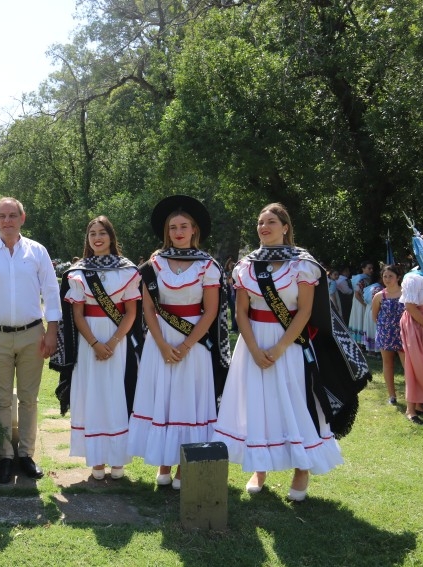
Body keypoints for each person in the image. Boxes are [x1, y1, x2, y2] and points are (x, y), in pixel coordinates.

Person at [212, 203, 344, 502]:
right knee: (258, 402)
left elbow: (306, 310)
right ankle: (260, 466)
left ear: (285, 227)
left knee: (295, 401)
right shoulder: (246, 265)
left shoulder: (303, 264)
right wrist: (255, 349)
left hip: (291, 344)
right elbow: (241, 313)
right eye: (260, 222)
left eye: (271, 221)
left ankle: (301, 467)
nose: (264, 227)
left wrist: (281, 346)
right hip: (252, 343)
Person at [127, 195, 228, 489]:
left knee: (187, 401)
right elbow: (148, 309)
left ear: (194, 230)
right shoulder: (153, 264)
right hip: (160, 343)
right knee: (164, 398)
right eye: (173, 227)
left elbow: (210, 312)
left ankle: (185, 466)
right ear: (167, 232)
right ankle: (163, 462)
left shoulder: (208, 265)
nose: (178, 232)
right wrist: (160, 344)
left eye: (184, 226)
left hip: (193, 346)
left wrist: (184, 346)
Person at [0, 197, 62, 483]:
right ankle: (5, 456)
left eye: (12, 215)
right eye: (1, 216)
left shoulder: (37, 252)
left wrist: (52, 330)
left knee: (30, 399)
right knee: (2, 399)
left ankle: (26, 455)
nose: (7, 221)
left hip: (33, 334)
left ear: (23, 218)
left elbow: (51, 291)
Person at [62, 216, 140, 480]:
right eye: (92, 233)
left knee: (116, 393)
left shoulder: (128, 271)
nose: (97, 238)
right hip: (89, 341)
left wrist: (113, 342)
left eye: (102, 233)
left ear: (111, 237)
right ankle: (96, 458)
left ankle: (117, 458)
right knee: (92, 394)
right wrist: (95, 343)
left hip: (118, 340)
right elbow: (77, 314)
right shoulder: (78, 272)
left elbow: (131, 313)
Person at [398, 266, 423, 423]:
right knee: (417, 364)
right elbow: (410, 307)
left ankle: (420, 404)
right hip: (417, 324)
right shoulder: (413, 277)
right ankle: (410, 409)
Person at [372, 264, 405, 406]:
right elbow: (374, 317)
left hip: (404, 334)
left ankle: (414, 397)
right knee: (388, 364)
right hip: (386, 334)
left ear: (398, 277)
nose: (387, 279)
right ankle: (392, 396)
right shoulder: (379, 296)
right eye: (385, 276)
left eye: (390, 276)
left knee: (407, 366)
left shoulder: (406, 293)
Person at [349, 261, 374, 345]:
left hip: (363, 301)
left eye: (372, 268)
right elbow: (357, 294)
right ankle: (359, 343)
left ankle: (363, 342)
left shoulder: (367, 278)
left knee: (363, 320)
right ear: (363, 269)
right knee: (360, 319)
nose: (371, 270)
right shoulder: (360, 278)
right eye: (369, 268)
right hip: (360, 302)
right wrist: (364, 304)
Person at [362, 275, 384, 353]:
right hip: (374, 309)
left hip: (369, 309)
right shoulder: (378, 288)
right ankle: (375, 351)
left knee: (370, 329)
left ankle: (371, 350)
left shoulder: (371, 287)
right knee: (374, 329)